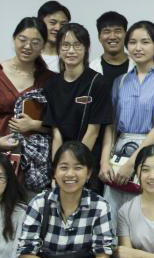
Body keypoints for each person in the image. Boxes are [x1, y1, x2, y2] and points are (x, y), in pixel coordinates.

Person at [98, 20, 154, 217]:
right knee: (118, 215)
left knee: (152, 212)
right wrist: (104, 161)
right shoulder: (120, 81)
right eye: (133, 42)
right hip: (121, 150)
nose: (138, 48)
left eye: (145, 42)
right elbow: (111, 126)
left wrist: (132, 164)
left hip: (153, 150)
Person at [0, 18, 53, 192]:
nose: (27, 46)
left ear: (43, 45)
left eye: (35, 42)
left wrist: (35, 125)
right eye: (22, 40)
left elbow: (59, 122)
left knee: (30, 199)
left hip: (35, 156)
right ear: (14, 39)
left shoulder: (50, 79)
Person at [45, 22, 112, 176]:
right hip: (62, 164)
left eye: (77, 45)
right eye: (65, 45)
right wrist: (58, 170)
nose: (71, 51)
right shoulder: (51, 84)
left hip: (87, 161)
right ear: (58, 49)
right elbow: (56, 133)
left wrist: (75, 167)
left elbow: (93, 131)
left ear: (86, 48)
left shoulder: (98, 83)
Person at [89, 10, 131, 93]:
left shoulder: (138, 66)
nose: (112, 37)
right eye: (106, 32)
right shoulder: (90, 69)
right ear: (99, 37)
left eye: (118, 31)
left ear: (126, 35)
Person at [36, 0, 71, 72]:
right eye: (53, 22)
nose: (58, 28)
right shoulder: (31, 56)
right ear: (40, 23)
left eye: (63, 24)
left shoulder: (71, 57)